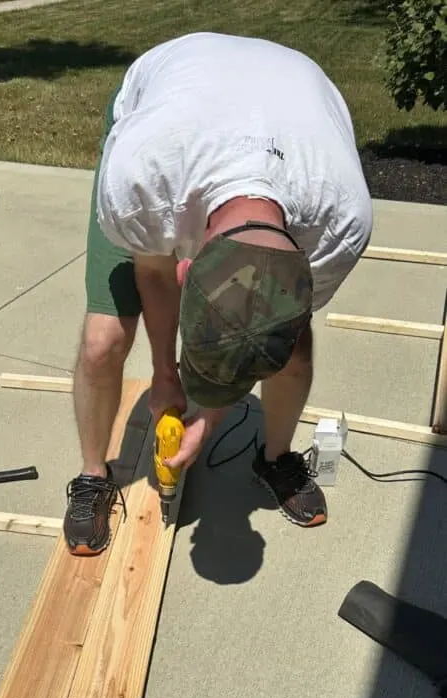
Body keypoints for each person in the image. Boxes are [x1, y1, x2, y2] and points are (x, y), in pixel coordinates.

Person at [63, 31, 373, 555]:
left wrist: (207, 419)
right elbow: (153, 275)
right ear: (186, 268)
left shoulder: (340, 222)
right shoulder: (140, 178)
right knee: (103, 339)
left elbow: (267, 333)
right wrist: (165, 373)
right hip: (171, 107)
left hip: (288, 97)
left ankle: (275, 459)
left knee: (295, 351)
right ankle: (94, 474)